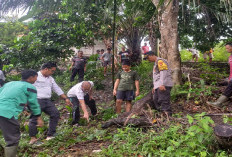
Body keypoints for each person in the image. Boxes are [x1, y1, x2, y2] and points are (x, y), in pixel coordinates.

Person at [0, 70, 43, 157]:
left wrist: (22, 106)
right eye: (36, 77)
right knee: (13, 138)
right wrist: (38, 117)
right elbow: (33, 103)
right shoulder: (29, 87)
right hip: (7, 112)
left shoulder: (9, 83)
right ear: (31, 77)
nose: (36, 80)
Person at [29, 62, 71, 144]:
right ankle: (33, 139)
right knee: (34, 119)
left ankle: (50, 135)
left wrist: (65, 98)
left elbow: (56, 88)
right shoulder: (35, 77)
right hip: (37, 100)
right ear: (46, 69)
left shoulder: (50, 78)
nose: (52, 73)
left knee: (55, 114)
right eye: (52, 71)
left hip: (47, 100)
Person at [144, 51, 173, 116]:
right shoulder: (155, 63)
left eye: (148, 58)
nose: (148, 60)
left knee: (163, 100)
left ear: (152, 55)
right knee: (156, 99)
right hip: (158, 85)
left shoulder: (160, 61)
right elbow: (157, 76)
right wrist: (155, 87)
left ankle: (167, 116)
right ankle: (161, 114)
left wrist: (162, 84)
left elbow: (163, 72)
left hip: (163, 84)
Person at [207, 43, 232, 107]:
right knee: (228, 86)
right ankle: (223, 103)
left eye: (228, 48)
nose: (226, 49)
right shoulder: (230, 56)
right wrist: (230, 78)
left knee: (229, 88)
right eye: (226, 48)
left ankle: (218, 103)